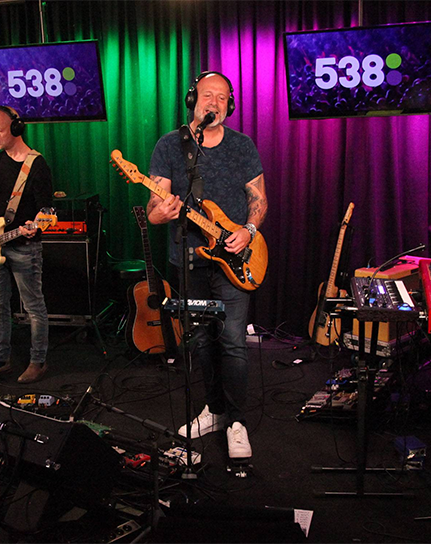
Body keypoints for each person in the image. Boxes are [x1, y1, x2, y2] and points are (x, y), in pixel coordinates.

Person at [147, 71, 268, 462]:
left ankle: (237, 421)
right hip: (188, 260)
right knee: (200, 340)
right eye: (207, 95)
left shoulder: (242, 145)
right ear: (192, 100)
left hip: (234, 259)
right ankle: (214, 410)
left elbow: (258, 200)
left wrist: (248, 231)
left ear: (230, 104)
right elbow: (154, 209)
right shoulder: (170, 145)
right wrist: (162, 213)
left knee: (232, 341)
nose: (214, 102)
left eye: (222, 97)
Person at [0, 106, 52, 384]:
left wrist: (34, 226)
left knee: (33, 306)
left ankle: (38, 362)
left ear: (16, 128)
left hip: (25, 247)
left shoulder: (37, 165)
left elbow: (47, 212)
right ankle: (0, 360)